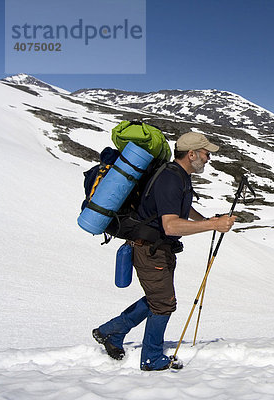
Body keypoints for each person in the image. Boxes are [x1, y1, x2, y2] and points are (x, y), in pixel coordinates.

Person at [92, 131, 236, 371]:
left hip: (157, 248)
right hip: (150, 249)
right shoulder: (171, 179)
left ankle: (111, 332)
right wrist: (213, 225)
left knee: (156, 299)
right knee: (164, 303)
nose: (209, 158)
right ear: (191, 154)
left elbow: (180, 209)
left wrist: (207, 219)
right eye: (206, 153)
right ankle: (151, 358)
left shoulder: (179, 176)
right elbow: (170, 225)